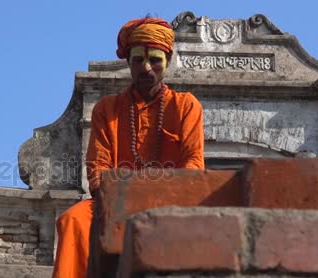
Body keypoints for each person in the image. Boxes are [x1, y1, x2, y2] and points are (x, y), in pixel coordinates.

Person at [52, 17, 205, 278]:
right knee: (72, 220)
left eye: (154, 60)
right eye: (138, 60)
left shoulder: (186, 106)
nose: (146, 68)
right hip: (113, 204)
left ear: (167, 61)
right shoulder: (107, 109)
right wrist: (119, 201)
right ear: (128, 63)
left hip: (168, 203)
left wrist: (157, 195)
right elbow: (97, 170)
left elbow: (194, 166)